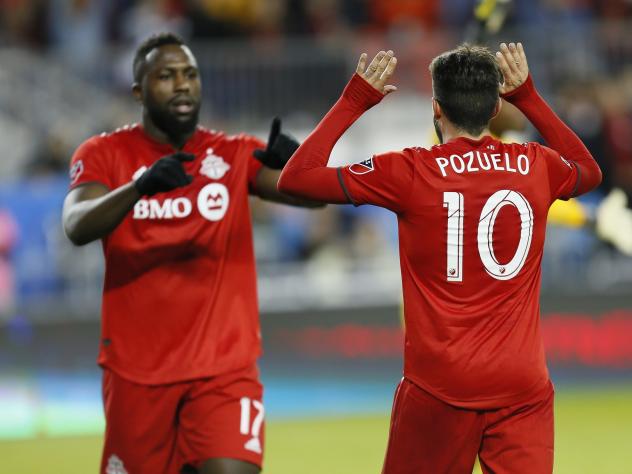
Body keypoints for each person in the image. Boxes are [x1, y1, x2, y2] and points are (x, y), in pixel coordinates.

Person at [277, 44, 602, 473]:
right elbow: (588, 169)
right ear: (493, 108)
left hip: (440, 386)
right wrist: (528, 96)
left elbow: (296, 179)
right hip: (522, 385)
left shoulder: (410, 171)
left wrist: (354, 100)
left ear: (436, 108)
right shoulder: (536, 164)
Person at [62, 32, 319, 474]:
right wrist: (139, 187)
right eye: (166, 76)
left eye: (190, 75)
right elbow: (76, 224)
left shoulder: (233, 153)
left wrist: (302, 165)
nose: (182, 85)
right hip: (137, 372)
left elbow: (313, 198)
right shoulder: (104, 153)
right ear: (139, 92)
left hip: (223, 366)